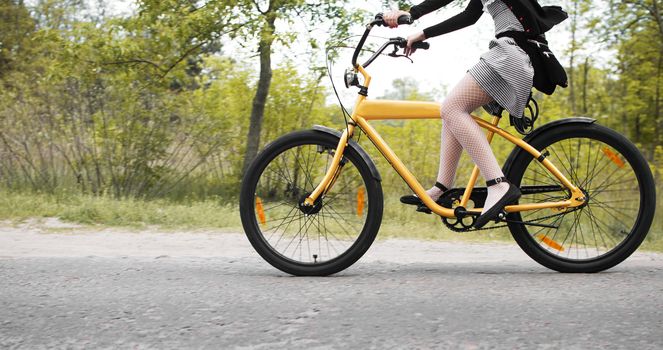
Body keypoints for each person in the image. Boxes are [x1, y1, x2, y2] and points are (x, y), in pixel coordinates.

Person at [384, 0, 534, 228]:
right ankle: (442, 188)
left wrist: (413, 13)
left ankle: (498, 184)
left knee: (452, 108)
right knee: (452, 110)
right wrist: (421, 33)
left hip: (512, 52)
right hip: (513, 49)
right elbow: (470, 15)